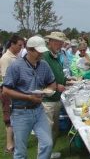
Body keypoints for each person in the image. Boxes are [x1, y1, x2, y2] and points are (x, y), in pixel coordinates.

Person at [2, 36, 56, 159]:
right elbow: (6, 90)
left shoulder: (44, 65)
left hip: (38, 110)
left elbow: (52, 82)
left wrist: (49, 91)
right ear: (29, 50)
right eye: (38, 51)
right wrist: (28, 97)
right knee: (21, 152)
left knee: (47, 143)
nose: (41, 54)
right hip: (21, 112)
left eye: (42, 51)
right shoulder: (16, 66)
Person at [42, 31, 68, 159]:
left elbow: (58, 74)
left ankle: (49, 154)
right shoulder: (45, 56)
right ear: (50, 42)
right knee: (46, 132)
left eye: (61, 43)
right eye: (58, 42)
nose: (60, 45)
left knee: (54, 130)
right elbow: (40, 77)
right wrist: (57, 85)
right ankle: (42, 156)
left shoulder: (56, 56)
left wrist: (66, 81)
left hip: (56, 98)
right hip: (47, 100)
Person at [0, 34, 24, 153]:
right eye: (19, 45)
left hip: (16, 91)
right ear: (12, 44)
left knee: (15, 117)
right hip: (8, 92)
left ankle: (15, 142)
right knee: (8, 118)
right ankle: (10, 146)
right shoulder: (6, 58)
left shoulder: (16, 56)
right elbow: (6, 79)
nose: (21, 47)